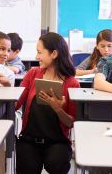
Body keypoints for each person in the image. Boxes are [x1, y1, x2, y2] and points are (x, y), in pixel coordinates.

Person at [15, 32, 80, 174]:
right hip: (29, 139)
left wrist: (58, 109)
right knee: (26, 165)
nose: (36, 57)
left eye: (40, 52)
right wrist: (4, 89)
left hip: (57, 142)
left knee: (56, 163)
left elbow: (71, 123)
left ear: (54, 53)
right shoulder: (33, 74)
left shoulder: (71, 83)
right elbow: (16, 103)